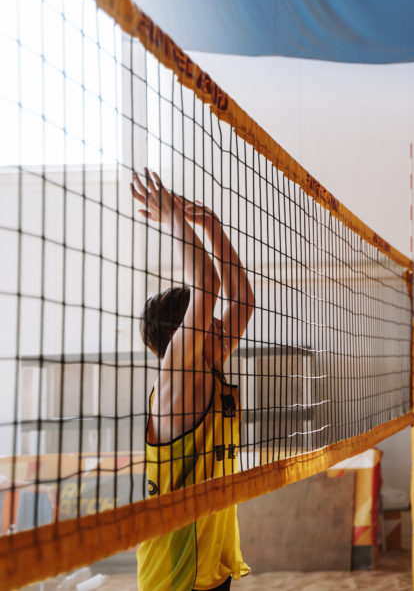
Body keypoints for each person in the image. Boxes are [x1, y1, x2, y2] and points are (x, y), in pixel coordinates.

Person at [131, 169, 255, 591]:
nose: (219, 322)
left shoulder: (210, 365)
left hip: (209, 565)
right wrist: (172, 217)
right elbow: (208, 282)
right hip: (174, 573)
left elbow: (243, 299)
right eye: (205, 317)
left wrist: (213, 225)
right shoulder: (178, 376)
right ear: (183, 333)